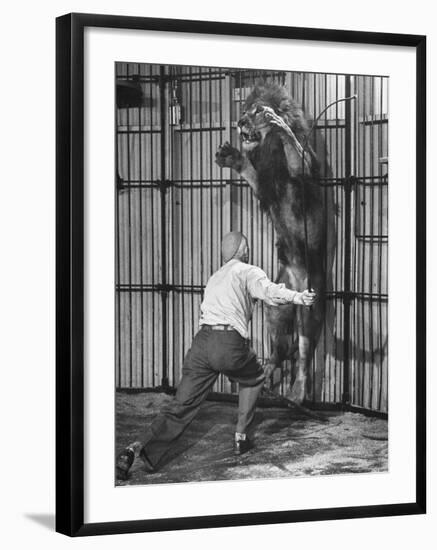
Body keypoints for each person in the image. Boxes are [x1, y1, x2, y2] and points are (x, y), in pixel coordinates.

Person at [116, 231, 316, 480]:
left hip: (201, 344)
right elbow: (269, 291)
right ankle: (241, 437)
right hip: (228, 343)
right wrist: (298, 297)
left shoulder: (214, 277)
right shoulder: (248, 271)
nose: (248, 251)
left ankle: (134, 449)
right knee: (253, 378)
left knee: (181, 405)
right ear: (243, 250)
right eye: (247, 247)